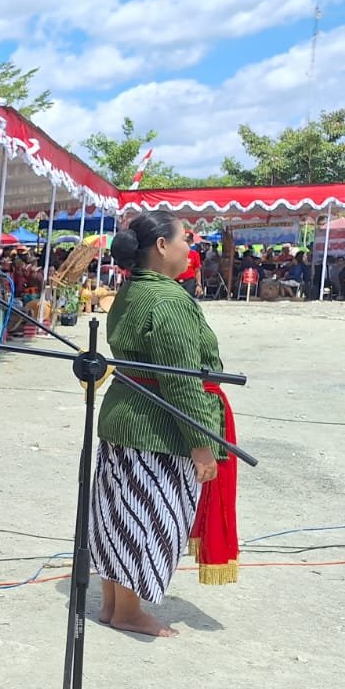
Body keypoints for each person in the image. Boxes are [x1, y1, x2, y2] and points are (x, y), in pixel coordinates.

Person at [90, 214, 235, 640]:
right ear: (161, 247)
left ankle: (117, 606)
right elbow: (181, 378)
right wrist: (203, 441)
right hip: (156, 425)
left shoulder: (132, 290)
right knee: (148, 516)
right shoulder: (167, 300)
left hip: (126, 415)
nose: (190, 248)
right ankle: (129, 612)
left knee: (121, 513)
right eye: (184, 240)